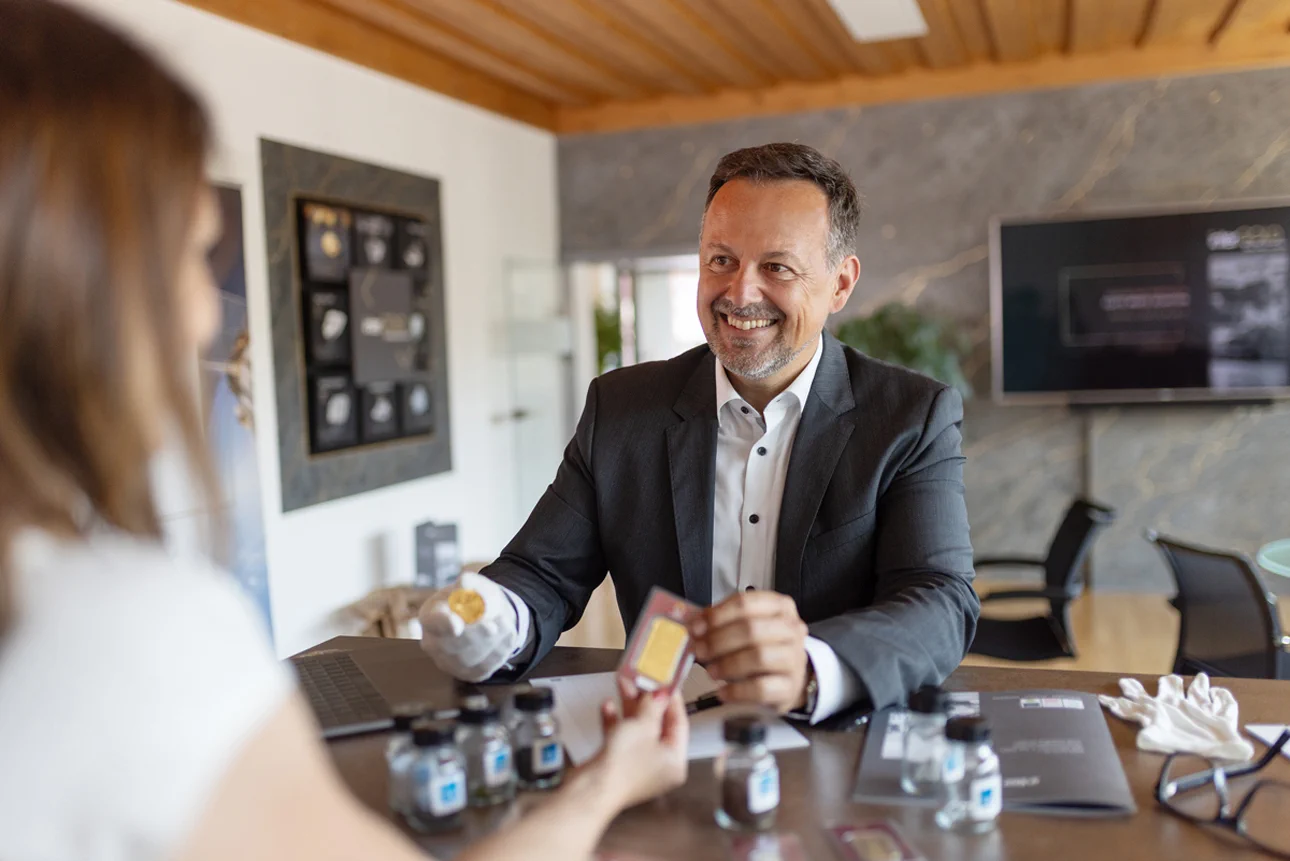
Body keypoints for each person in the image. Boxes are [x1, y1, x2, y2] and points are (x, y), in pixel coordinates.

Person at [0, 3, 687, 860]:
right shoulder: (125, 630)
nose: (207, 311)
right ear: (74, 280)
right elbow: (542, 574)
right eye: (187, 254)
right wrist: (607, 779)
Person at [422, 143, 979, 720]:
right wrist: (492, 618)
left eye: (777, 267)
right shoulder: (622, 409)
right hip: (659, 734)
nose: (739, 293)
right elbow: (542, 571)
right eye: (721, 260)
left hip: (833, 734)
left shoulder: (911, 416)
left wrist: (812, 669)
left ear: (840, 284)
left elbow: (939, 598)